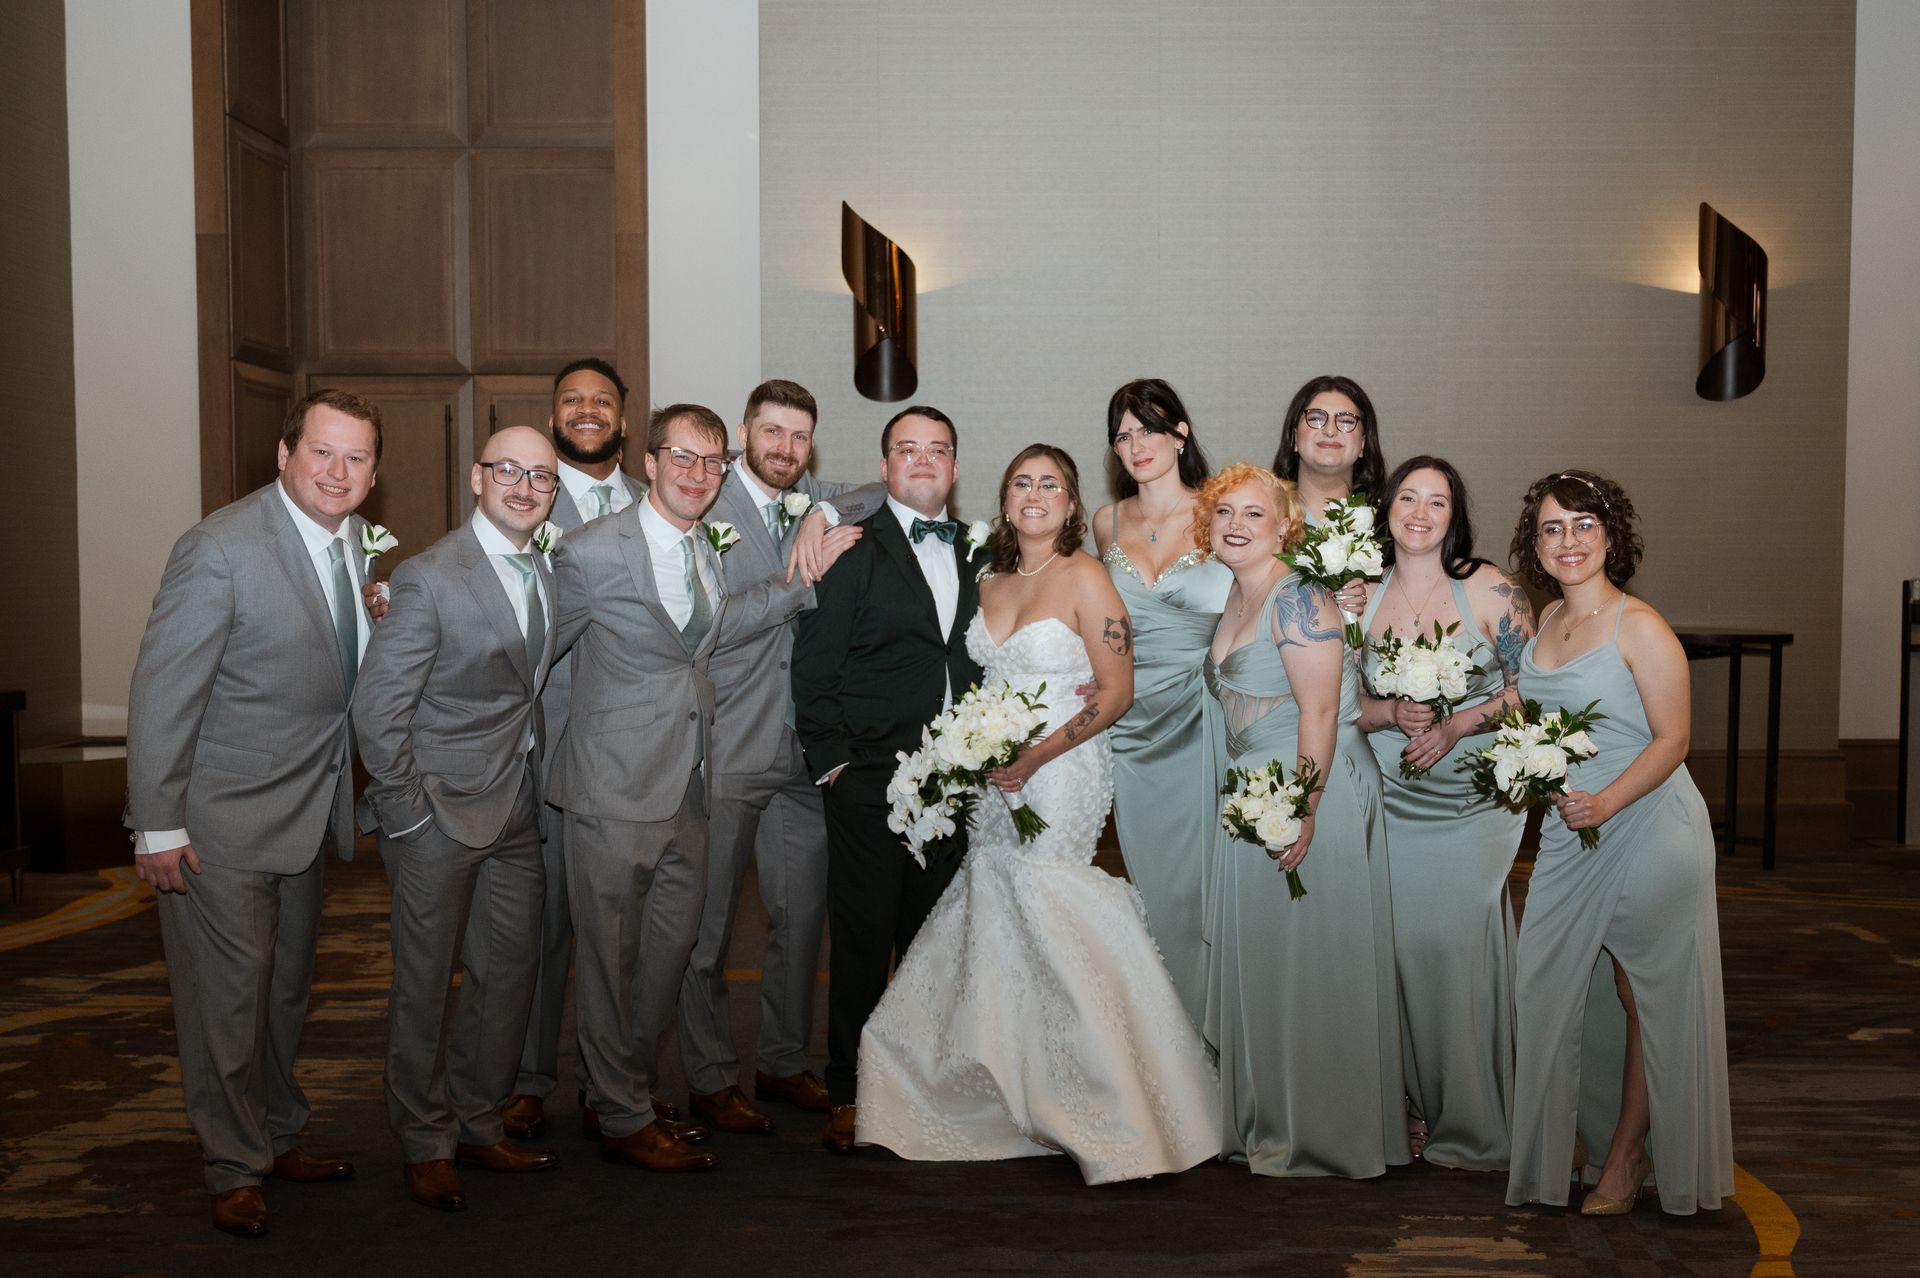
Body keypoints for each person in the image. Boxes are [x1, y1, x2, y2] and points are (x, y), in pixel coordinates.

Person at [856, 445, 1221, 1184]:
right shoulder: (985, 581)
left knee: (1048, 895)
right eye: (1021, 481)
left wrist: (1038, 756)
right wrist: (972, 754)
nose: (1034, 494)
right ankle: (1013, 1088)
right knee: (997, 905)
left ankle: (1110, 1100)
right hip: (992, 774)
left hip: (1062, 771)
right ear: (1004, 497)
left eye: (1049, 483)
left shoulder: (1087, 574)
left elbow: (1116, 691)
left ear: (1070, 500)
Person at [547, 404, 853, 1173]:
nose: (697, 474)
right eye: (683, 457)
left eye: (711, 464)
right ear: (649, 461)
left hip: (691, 783)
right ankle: (620, 1112)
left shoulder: (703, 551)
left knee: (666, 954)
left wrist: (798, 581)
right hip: (613, 788)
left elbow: (715, 628)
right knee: (612, 960)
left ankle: (624, 1091)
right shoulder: (589, 552)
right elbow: (533, 657)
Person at [125, 388, 381, 1237]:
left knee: (284, 992)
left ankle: (275, 1133)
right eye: (322, 453)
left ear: (374, 471)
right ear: (284, 455)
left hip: (309, 818)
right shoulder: (220, 548)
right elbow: (165, 691)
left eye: (357, 458)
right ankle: (232, 1165)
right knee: (226, 1001)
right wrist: (157, 823)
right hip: (220, 825)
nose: (338, 472)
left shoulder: (355, 550)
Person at [1503, 470, 1733, 1216]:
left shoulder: (1641, 626)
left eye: (1583, 525)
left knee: (1644, 995)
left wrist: (1604, 800)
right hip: (1575, 834)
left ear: (1611, 536)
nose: (1568, 541)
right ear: (1534, 546)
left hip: (1648, 825)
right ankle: (1576, 1139)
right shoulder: (1543, 623)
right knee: (1546, 984)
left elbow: (1673, 741)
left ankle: (1627, 1158)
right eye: (1551, 528)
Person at [353, 427, 564, 1210]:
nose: (524, 485)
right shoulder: (430, 577)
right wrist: (408, 815)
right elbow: (378, 711)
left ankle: (478, 1123)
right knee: (423, 987)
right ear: (477, 479)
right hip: (436, 816)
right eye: (508, 470)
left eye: (540, 476)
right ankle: (423, 1139)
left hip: (516, 810)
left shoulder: (546, 568)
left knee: (509, 976)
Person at [676, 379, 884, 1134]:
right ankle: (706, 1074)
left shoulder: (815, 496)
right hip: (728, 744)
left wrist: (826, 510)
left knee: (801, 920)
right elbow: (714, 622)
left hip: (805, 754)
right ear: (742, 434)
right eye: (772, 433)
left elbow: (877, 487)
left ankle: (782, 1059)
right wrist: (799, 580)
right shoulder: (703, 502)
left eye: (800, 437)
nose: (786, 449)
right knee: (710, 926)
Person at [1200, 463, 1409, 1178]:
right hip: (1251, 789)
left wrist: (1303, 808)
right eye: (1224, 511)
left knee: (1316, 963)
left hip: (1304, 788)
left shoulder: (1299, 599)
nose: (1235, 524)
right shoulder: (1238, 591)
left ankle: (1325, 1129)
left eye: (1253, 514)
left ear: (1286, 526)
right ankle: (1271, 1114)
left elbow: (1321, 712)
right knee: (1274, 960)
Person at [791, 405, 985, 1154]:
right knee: (865, 941)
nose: (924, 460)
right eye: (908, 449)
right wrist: (836, 765)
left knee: (937, 939)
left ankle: (925, 1080)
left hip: (957, 779)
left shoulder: (978, 551)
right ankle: (849, 1087)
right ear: (885, 467)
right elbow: (815, 665)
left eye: (939, 449)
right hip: (870, 776)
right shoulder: (850, 546)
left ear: (956, 467)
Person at [499, 358, 664, 1145]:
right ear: (555, 414)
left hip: (628, 761)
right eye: (572, 400)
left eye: (603, 401)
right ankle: (529, 1080)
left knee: (620, 933)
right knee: (543, 930)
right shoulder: (524, 494)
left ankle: (612, 1083)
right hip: (538, 746)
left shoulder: (655, 505)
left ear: (625, 422)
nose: (588, 411)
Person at [1354, 456, 1534, 1170]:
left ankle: (1475, 1113)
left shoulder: (1490, 589)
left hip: (1474, 801)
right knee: (1396, 951)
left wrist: (1461, 724)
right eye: (1408, 497)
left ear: (1455, 515)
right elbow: (1336, 706)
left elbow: (1536, 687)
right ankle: (1411, 1105)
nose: (1421, 512)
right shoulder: (1358, 598)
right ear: (1388, 508)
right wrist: (1389, 711)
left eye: (1437, 501)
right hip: (1393, 799)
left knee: (1453, 947)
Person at [1088, 379, 1230, 1029]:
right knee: (1150, 897)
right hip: (1131, 733)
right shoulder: (1106, 520)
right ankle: (1171, 1055)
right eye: (1124, 434)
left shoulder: (1223, 510)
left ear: (1180, 433)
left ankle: (1220, 1052)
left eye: (1149, 428)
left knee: (1207, 896)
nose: (1136, 445)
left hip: (1206, 722)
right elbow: (1099, 620)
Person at [1269, 373, 1387, 525]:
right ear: (1294, 438)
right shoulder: (1264, 513)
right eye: (1316, 419)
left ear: (1363, 443)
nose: (1330, 431)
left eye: (1345, 420)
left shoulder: (1386, 522)